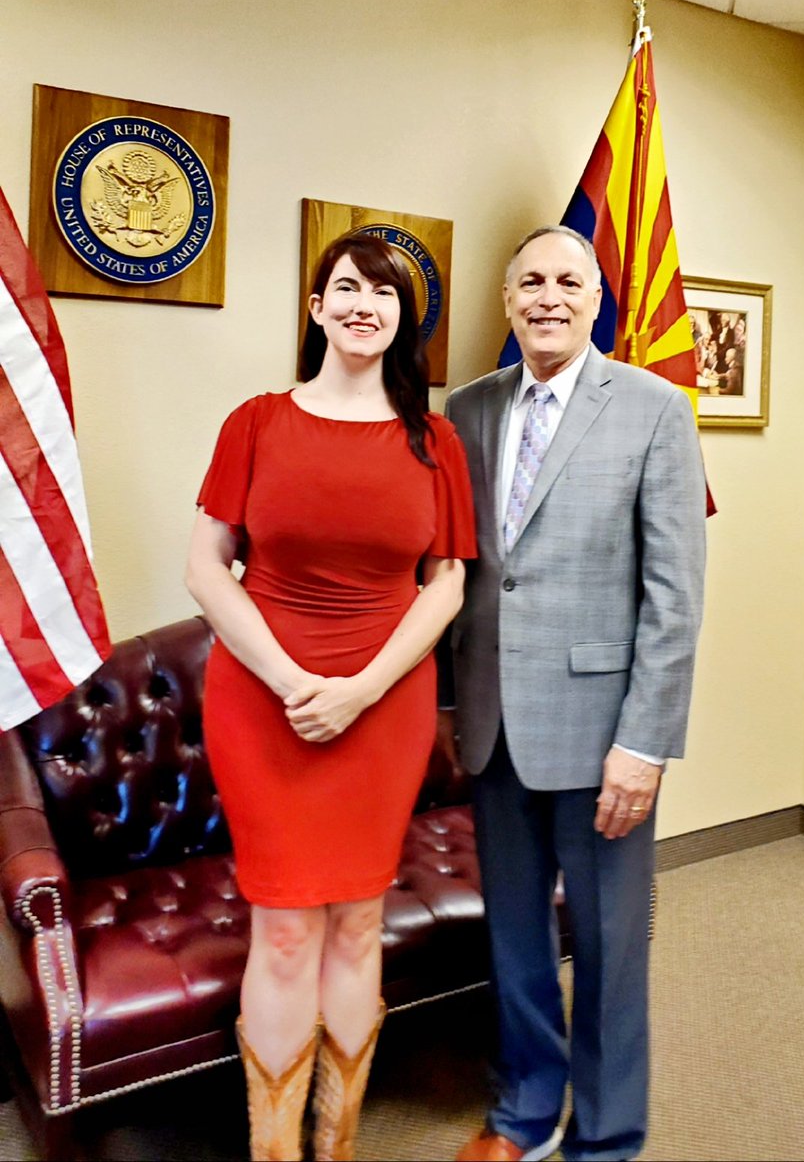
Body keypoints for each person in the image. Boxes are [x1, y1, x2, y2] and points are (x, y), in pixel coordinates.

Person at [186, 232, 476, 1162]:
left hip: (383, 709)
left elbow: (447, 584)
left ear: (405, 317)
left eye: (384, 293)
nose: (364, 305)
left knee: (357, 920)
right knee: (281, 930)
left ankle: (336, 1146)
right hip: (261, 704)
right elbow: (206, 568)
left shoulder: (435, 441)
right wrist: (292, 681)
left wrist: (358, 692)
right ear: (315, 308)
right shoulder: (255, 423)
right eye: (345, 287)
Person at [440, 226, 706, 1162]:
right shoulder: (464, 408)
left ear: (598, 299)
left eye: (568, 281)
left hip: (604, 737)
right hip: (493, 727)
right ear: (507, 300)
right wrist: (446, 710)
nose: (548, 297)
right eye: (530, 282)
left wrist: (646, 743)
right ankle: (522, 1112)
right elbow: (460, 571)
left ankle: (605, 1137)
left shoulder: (655, 407)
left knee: (607, 952)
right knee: (513, 945)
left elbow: (674, 596)